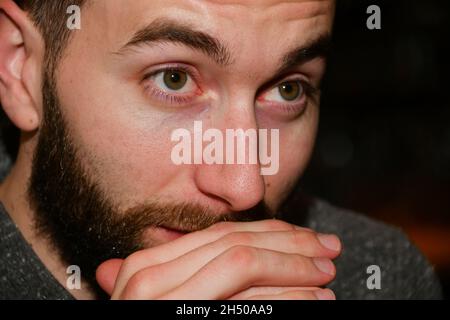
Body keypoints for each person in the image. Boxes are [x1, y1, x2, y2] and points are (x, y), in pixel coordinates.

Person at [0, 0, 442, 300]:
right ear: (21, 69)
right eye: (173, 79)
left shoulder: (382, 274)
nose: (245, 186)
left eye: (288, 89)